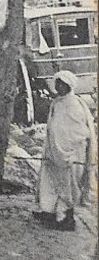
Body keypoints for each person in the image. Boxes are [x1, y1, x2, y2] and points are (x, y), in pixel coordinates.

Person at [33, 70, 95, 232]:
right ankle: (49, 211)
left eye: (62, 84)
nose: (59, 87)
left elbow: (80, 131)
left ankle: (67, 218)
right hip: (53, 152)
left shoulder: (75, 104)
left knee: (68, 186)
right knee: (50, 181)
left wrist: (65, 147)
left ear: (69, 86)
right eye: (57, 83)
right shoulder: (57, 103)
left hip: (70, 154)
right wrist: (52, 145)